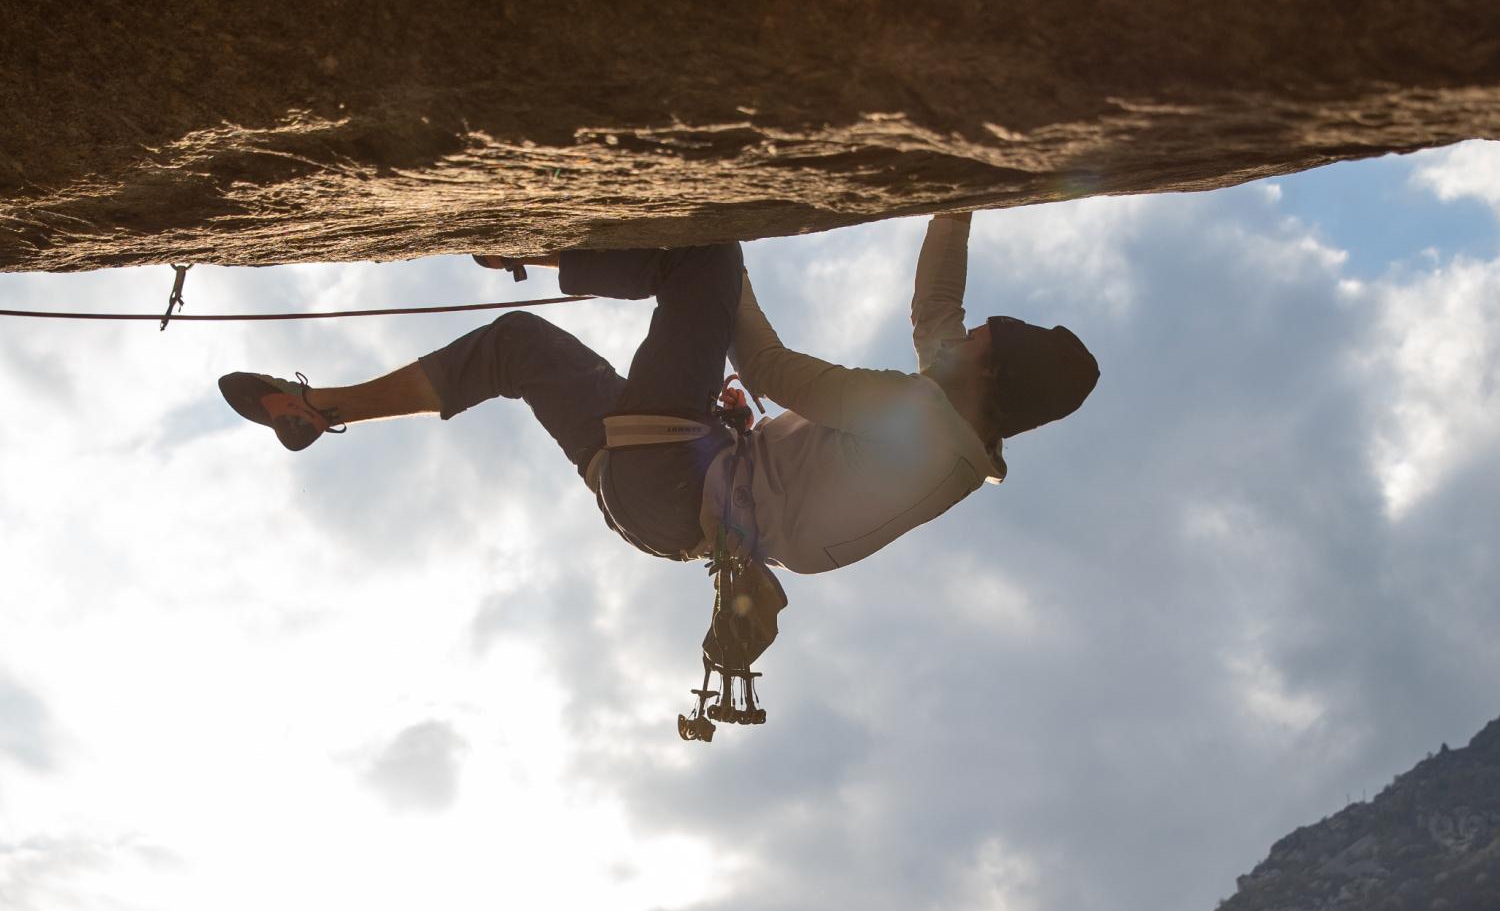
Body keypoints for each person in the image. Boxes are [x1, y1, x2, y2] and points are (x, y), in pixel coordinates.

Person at [217, 214, 1099, 587]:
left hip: (682, 475)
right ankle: (323, 409)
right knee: (516, 346)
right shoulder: (948, 443)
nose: (971, 331)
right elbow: (936, 314)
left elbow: (770, 365)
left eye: (988, 338)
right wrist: (959, 205)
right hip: (654, 508)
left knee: (706, 251)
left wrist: (734, 268)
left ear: (991, 372)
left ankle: (539, 240)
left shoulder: (919, 418)